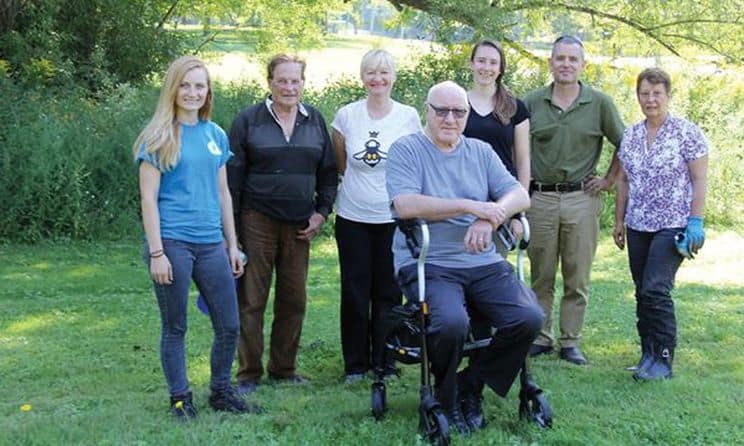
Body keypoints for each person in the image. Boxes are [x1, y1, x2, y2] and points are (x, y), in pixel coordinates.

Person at [386, 81, 543, 435]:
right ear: (427, 110)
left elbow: (520, 196)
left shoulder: (480, 151)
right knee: (451, 323)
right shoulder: (407, 149)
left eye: (459, 112)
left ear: (467, 116)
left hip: (482, 261)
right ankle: (445, 395)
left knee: (529, 316)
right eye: (441, 110)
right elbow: (405, 204)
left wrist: (491, 217)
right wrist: (469, 205)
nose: (450, 118)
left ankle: (469, 385)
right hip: (429, 262)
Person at [133, 55, 259, 420]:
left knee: (230, 325)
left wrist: (232, 245)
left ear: (208, 92)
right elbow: (148, 199)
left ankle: (221, 391)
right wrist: (157, 253)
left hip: (211, 244)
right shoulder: (158, 136)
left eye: (199, 86)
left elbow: (223, 194)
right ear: (173, 89)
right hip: (172, 241)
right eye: (185, 85)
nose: (192, 92)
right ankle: (180, 398)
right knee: (175, 326)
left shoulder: (215, 134)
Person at [227, 54, 337, 395]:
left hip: (300, 225)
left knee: (294, 300)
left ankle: (283, 369)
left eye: (295, 81)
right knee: (252, 299)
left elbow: (329, 173)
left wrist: (321, 213)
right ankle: (248, 374)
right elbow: (232, 179)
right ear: (270, 82)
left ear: (303, 83)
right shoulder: (248, 120)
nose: (289, 87)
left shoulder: (315, 120)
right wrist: (232, 232)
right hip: (256, 220)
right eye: (282, 80)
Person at [523, 35, 625, 365]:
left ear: (583, 65)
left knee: (577, 274)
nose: (566, 64)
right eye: (560, 58)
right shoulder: (531, 103)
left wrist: (609, 179)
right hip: (539, 198)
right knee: (541, 274)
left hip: (582, 197)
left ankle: (570, 341)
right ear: (550, 63)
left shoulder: (599, 103)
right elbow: (516, 148)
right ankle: (540, 335)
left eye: (572, 59)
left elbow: (626, 144)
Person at [331, 49, 421, 384]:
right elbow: (340, 162)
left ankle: (385, 359)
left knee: (388, 292)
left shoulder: (408, 116)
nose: (377, 79)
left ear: (394, 77)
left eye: (384, 73)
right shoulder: (346, 116)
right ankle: (355, 364)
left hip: (392, 219)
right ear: (362, 77)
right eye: (371, 72)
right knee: (354, 291)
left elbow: (413, 164)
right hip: (353, 217)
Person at [613, 68, 708, 381]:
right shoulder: (631, 134)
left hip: (673, 224)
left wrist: (696, 221)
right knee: (642, 291)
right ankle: (647, 355)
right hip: (638, 223)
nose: (650, 99)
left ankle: (664, 359)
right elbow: (623, 180)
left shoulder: (687, 133)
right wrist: (619, 221)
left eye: (657, 93)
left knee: (656, 289)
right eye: (644, 93)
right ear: (638, 96)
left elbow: (699, 178)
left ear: (668, 95)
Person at [464, 39, 531, 242]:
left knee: (494, 264)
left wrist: (519, 213)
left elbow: (522, 161)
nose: (486, 67)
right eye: (481, 61)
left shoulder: (515, 108)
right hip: (462, 195)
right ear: (471, 64)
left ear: (501, 68)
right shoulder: (457, 103)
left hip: (502, 199)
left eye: (493, 62)